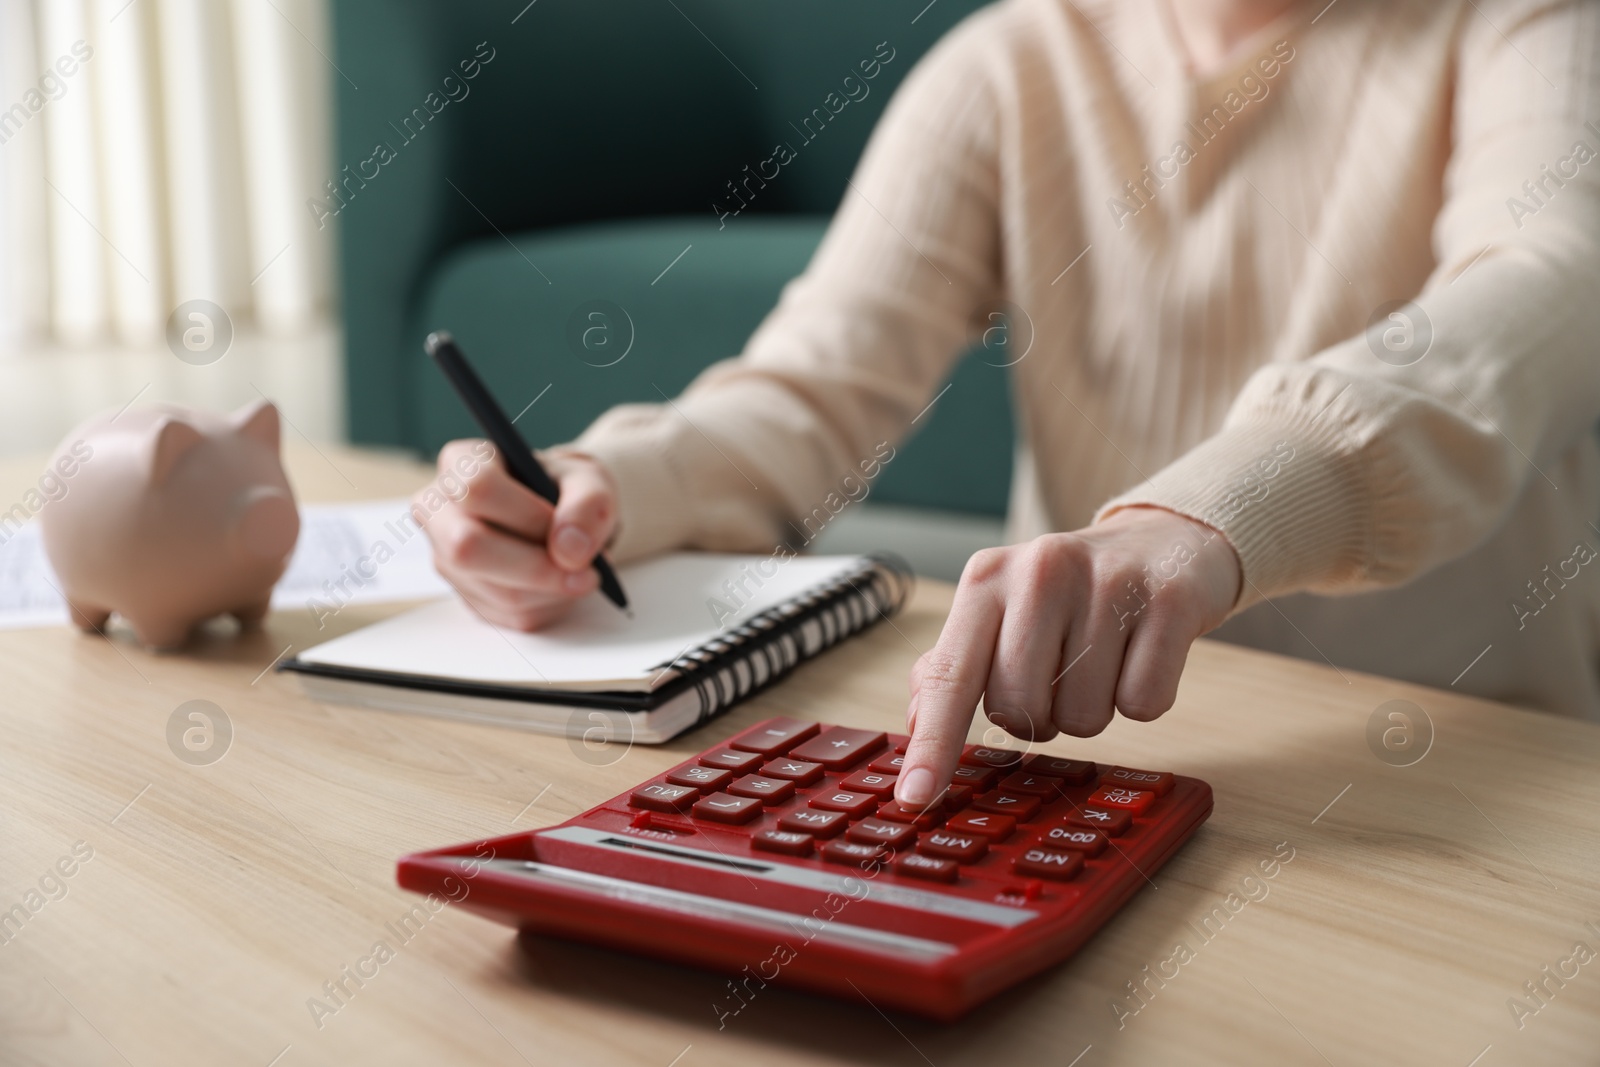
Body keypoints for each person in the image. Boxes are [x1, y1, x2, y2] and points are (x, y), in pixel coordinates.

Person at [415, 0, 1600, 810]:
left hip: (1457, 760)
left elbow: (1544, 282)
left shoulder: (1529, 27)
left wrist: (1206, 515)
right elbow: (812, 390)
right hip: (1090, 767)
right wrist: (606, 489)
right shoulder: (1009, 65)